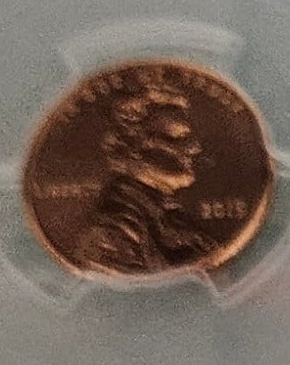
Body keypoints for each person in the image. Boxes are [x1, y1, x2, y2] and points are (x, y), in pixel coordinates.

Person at [73, 80, 222, 276]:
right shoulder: (109, 236)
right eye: (176, 137)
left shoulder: (169, 219)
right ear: (133, 148)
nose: (195, 147)